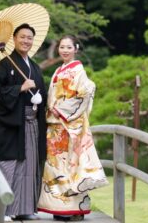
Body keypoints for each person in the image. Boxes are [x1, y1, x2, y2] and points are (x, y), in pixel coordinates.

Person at [38, 35, 108, 222]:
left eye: (69, 47)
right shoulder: (59, 70)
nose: (65, 50)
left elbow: (85, 93)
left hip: (67, 124)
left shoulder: (78, 70)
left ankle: (72, 209)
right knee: (55, 166)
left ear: (76, 49)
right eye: (62, 47)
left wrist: (60, 109)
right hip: (55, 125)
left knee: (70, 166)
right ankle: (60, 208)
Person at [0, 23, 47, 221]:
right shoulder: (5, 65)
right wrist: (19, 89)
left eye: (29, 37)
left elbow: (41, 93)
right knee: (10, 165)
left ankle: (24, 209)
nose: (26, 41)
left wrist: (39, 102)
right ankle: (3, 210)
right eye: (22, 37)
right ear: (14, 39)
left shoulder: (35, 67)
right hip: (12, 125)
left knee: (29, 166)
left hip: (32, 123)